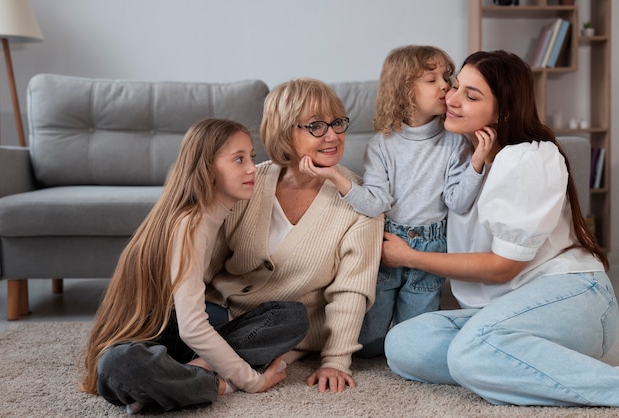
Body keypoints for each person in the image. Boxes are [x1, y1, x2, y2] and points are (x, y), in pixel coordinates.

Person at [382, 50, 619, 407]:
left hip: (573, 296)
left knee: (470, 351)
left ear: (504, 111)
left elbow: (503, 267)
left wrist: (411, 258)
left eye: (471, 96)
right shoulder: (464, 158)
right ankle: (511, 362)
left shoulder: (527, 157)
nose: (452, 98)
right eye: (456, 86)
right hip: (500, 312)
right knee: (403, 344)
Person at [80, 118, 309, 414]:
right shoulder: (191, 223)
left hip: (179, 343)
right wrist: (250, 381)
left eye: (251, 156)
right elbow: (192, 328)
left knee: (292, 316)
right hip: (147, 340)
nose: (252, 167)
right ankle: (209, 383)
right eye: (239, 159)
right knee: (117, 366)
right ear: (207, 167)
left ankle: (179, 378)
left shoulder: (222, 209)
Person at [300, 45, 491, 358]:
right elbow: (375, 202)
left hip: (430, 249)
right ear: (405, 91)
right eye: (432, 80)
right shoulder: (382, 145)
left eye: (446, 77)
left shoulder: (455, 142)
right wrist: (335, 177)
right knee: (369, 343)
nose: (446, 85)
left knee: (413, 339)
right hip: (386, 244)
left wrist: (477, 161)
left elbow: (458, 202)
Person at [205, 78, 384, 393]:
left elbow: (351, 290)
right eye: (316, 126)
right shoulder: (252, 180)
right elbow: (209, 256)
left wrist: (335, 361)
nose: (332, 135)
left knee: (289, 317)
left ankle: (200, 368)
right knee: (155, 320)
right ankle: (192, 370)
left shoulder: (362, 204)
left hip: (278, 328)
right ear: (285, 132)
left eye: (337, 123)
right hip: (221, 310)